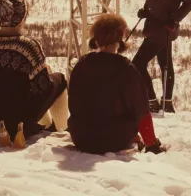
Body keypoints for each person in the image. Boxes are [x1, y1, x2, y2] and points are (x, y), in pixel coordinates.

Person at [0, 0, 69, 142]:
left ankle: (47, 125)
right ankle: (62, 130)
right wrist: (45, 72)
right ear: (22, 16)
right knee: (59, 80)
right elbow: (43, 88)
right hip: (16, 124)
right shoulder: (27, 46)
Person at [68, 13, 164, 155]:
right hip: (114, 139)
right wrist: (151, 143)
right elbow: (141, 110)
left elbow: (74, 105)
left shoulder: (81, 64)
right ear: (120, 37)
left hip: (81, 138)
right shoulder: (126, 69)